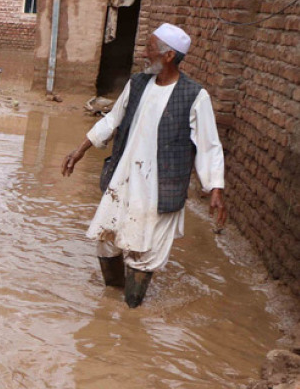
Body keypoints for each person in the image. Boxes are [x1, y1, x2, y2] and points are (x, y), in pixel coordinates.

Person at [62, 23, 226, 308]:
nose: (144, 53)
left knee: (145, 254)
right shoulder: (137, 83)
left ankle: (131, 311)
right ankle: (110, 307)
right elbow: (112, 120)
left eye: (150, 48)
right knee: (106, 242)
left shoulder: (195, 96)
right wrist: (80, 150)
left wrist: (215, 189)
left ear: (169, 56)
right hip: (124, 180)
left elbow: (208, 145)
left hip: (161, 188)